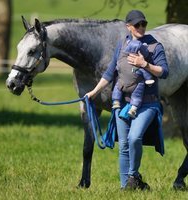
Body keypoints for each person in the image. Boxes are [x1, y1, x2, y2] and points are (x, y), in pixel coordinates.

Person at [85, 10, 169, 190]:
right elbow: (109, 73)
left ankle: (133, 176)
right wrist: (93, 92)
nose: (141, 27)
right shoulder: (122, 44)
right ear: (128, 26)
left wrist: (145, 64)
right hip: (123, 104)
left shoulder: (155, 46)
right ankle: (126, 188)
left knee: (134, 138)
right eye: (137, 24)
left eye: (143, 24)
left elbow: (164, 72)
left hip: (148, 104)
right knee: (123, 145)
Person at [112, 39, 155, 118]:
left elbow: (118, 67)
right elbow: (145, 73)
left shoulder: (135, 64)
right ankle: (121, 103)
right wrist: (149, 80)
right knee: (136, 94)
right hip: (128, 84)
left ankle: (129, 107)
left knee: (119, 87)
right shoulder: (127, 62)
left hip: (128, 84)